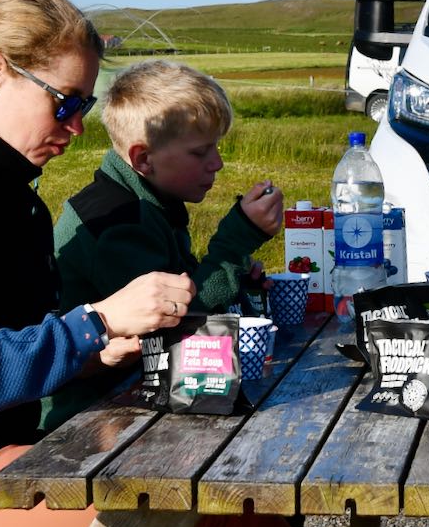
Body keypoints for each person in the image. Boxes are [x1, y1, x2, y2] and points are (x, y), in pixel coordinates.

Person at [0, 0, 404, 527]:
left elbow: (16, 344)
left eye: (84, 106)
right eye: (64, 103)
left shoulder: (9, 200)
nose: (75, 126)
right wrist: (95, 324)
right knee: (219, 510)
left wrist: (97, 351)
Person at [43, 58, 282, 432]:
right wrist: (237, 240)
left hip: (130, 396)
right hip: (88, 418)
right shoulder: (118, 224)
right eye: (200, 152)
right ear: (143, 159)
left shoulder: (147, 205)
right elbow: (175, 330)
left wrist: (236, 280)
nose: (216, 163)